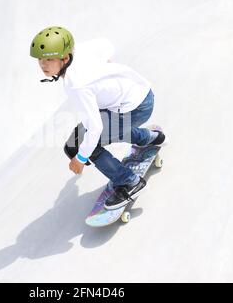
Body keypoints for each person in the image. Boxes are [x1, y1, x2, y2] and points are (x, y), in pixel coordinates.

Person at [30, 26, 165, 210]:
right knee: (79, 140)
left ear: (65, 58)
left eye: (49, 59)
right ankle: (150, 137)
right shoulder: (79, 50)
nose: (43, 65)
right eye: (40, 59)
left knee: (83, 145)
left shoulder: (76, 85)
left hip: (136, 108)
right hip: (141, 92)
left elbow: (95, 129)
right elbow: (106, 44)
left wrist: (80, 158)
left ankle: (130, 182)